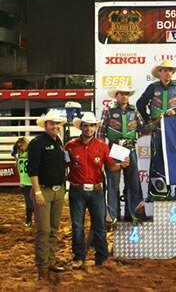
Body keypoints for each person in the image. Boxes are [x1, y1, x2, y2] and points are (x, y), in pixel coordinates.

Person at [65, 112, 130, 269]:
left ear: (95, 127)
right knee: (77, 225)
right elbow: (63, 166)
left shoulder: (102, 146)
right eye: (86, 125)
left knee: (99, 224)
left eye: (91, 125)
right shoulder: (70, 146)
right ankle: (79, 256)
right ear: (81, 127)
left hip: (96, 190)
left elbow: (110, 166)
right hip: (77, 190)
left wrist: (121, 165)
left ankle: (101, 257)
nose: (88, 128)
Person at [136, 59, 176, 200]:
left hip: (174, 129)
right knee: (157, 157)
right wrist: (149, 120)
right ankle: (159, 190)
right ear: (159, 72)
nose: (168, 73)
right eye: (165, 70)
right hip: (158, 128)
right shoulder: (152, 87)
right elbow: (140, 104)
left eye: (170, 71)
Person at [27, 110, 67, 280]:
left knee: (53, 228)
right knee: (43, 230)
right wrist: (36, 191)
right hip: (43, 190)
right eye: (52, 123)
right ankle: (42, 267)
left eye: (58, 123)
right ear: (46, 125)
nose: (56, 126)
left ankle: (50, 261)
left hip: (58, 190)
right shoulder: (37, 143)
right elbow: (32, 170)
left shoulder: (58, 141)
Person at [98, 86, 144, 223]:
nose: (124, 96)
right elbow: (101, 131)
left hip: (130, 148)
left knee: (133, 183)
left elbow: (141, 126)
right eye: (121, 94)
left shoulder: (133, 110)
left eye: (126, 94)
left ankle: (133, 214)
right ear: (116, 96)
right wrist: (101, 150)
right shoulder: (108, 110)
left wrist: (155, 124)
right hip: (114, 148)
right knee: (113, 183)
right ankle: (112, 215)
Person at [13, 137, 34, 227]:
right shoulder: (20, 154)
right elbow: (20, 168)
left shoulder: (32, 153)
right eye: (19, 146)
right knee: (28, 203)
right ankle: (29, 220)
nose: (20, 147)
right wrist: (21, 181)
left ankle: (33, 221)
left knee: (34, 203)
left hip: (33, 182)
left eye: (21, 145)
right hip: (25, 182)